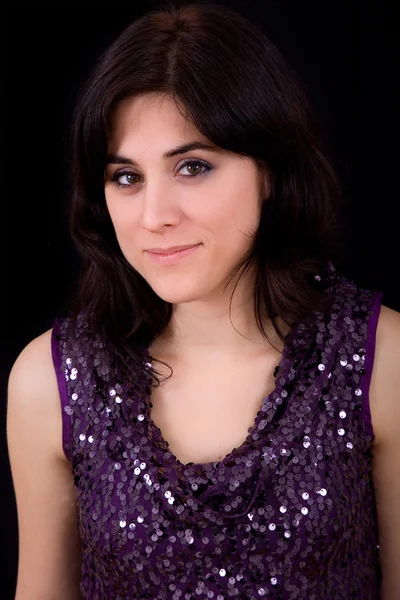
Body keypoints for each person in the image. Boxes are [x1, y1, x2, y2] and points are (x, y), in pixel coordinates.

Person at [6, 1, 400, 599]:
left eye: (192, 167)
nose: (154, 217)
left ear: (270, 170)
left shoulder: (382, 363)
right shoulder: (50, 381)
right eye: (126, 177)